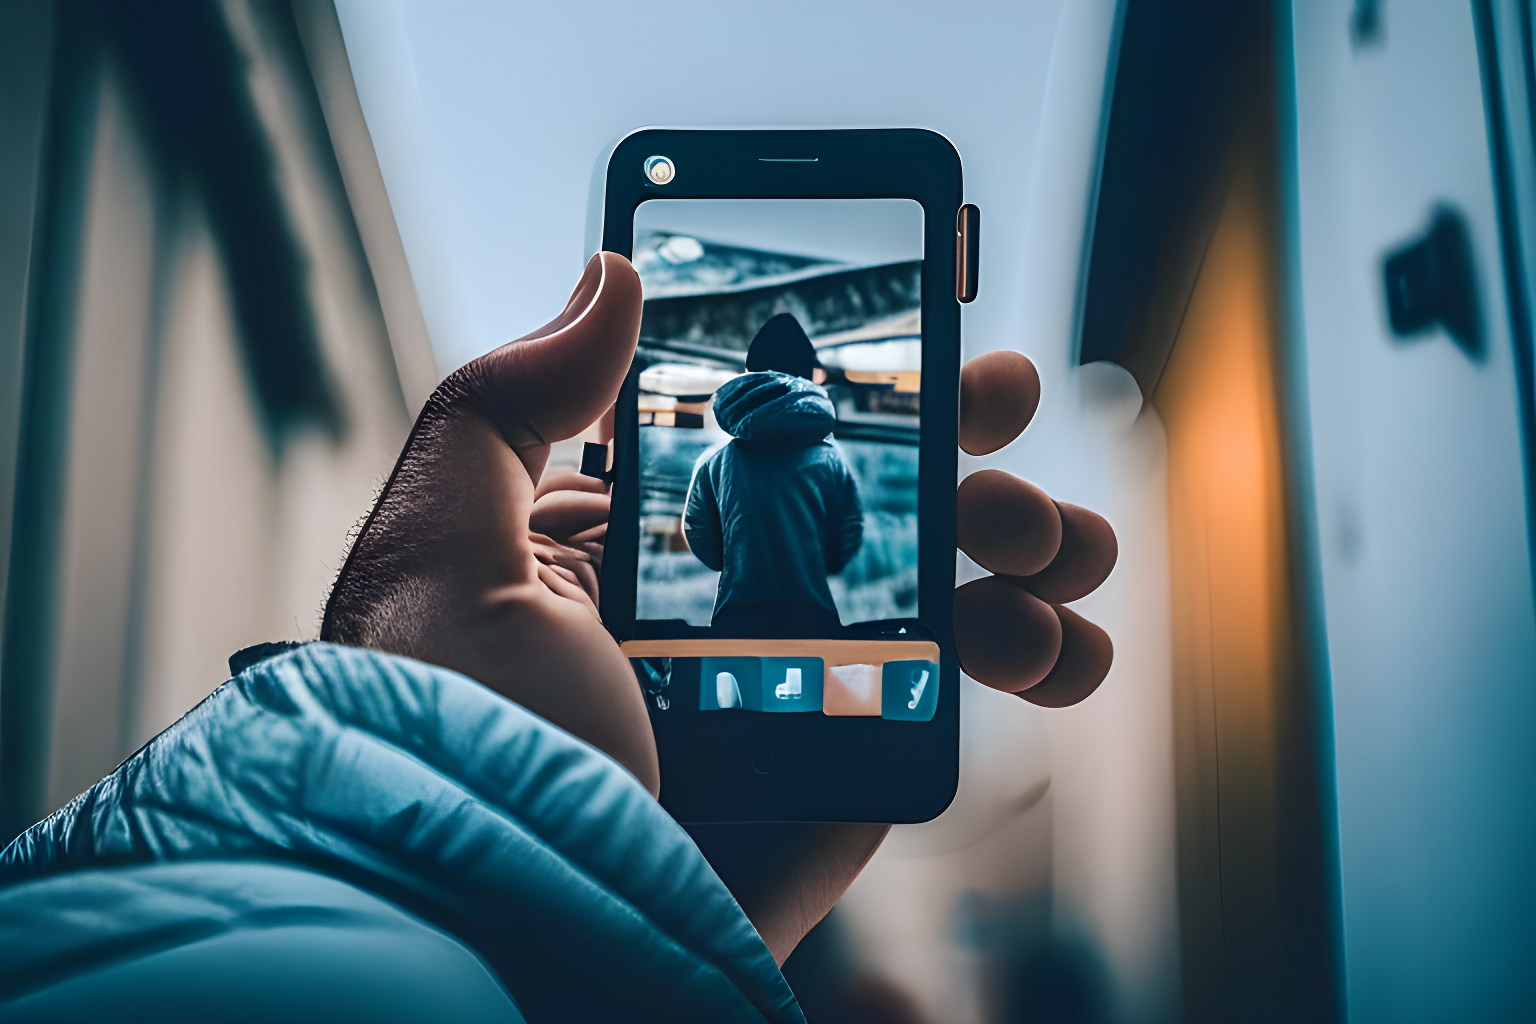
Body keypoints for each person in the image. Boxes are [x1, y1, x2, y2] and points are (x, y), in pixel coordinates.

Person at [0, 254, 1118, 1022]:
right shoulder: (829, 455)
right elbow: (838, 537)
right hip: (817, 633)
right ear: (817, 375)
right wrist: (653, 936)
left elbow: (699, 539)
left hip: (722, 637)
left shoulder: (723, 455)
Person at [684, 313, 862, 634]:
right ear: (807, 380)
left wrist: (739, 561)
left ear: (750, 380)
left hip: (736, 617)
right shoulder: (831, 461)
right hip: (813, 617)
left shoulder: (717, 463)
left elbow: (704, 540)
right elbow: (845, 539)